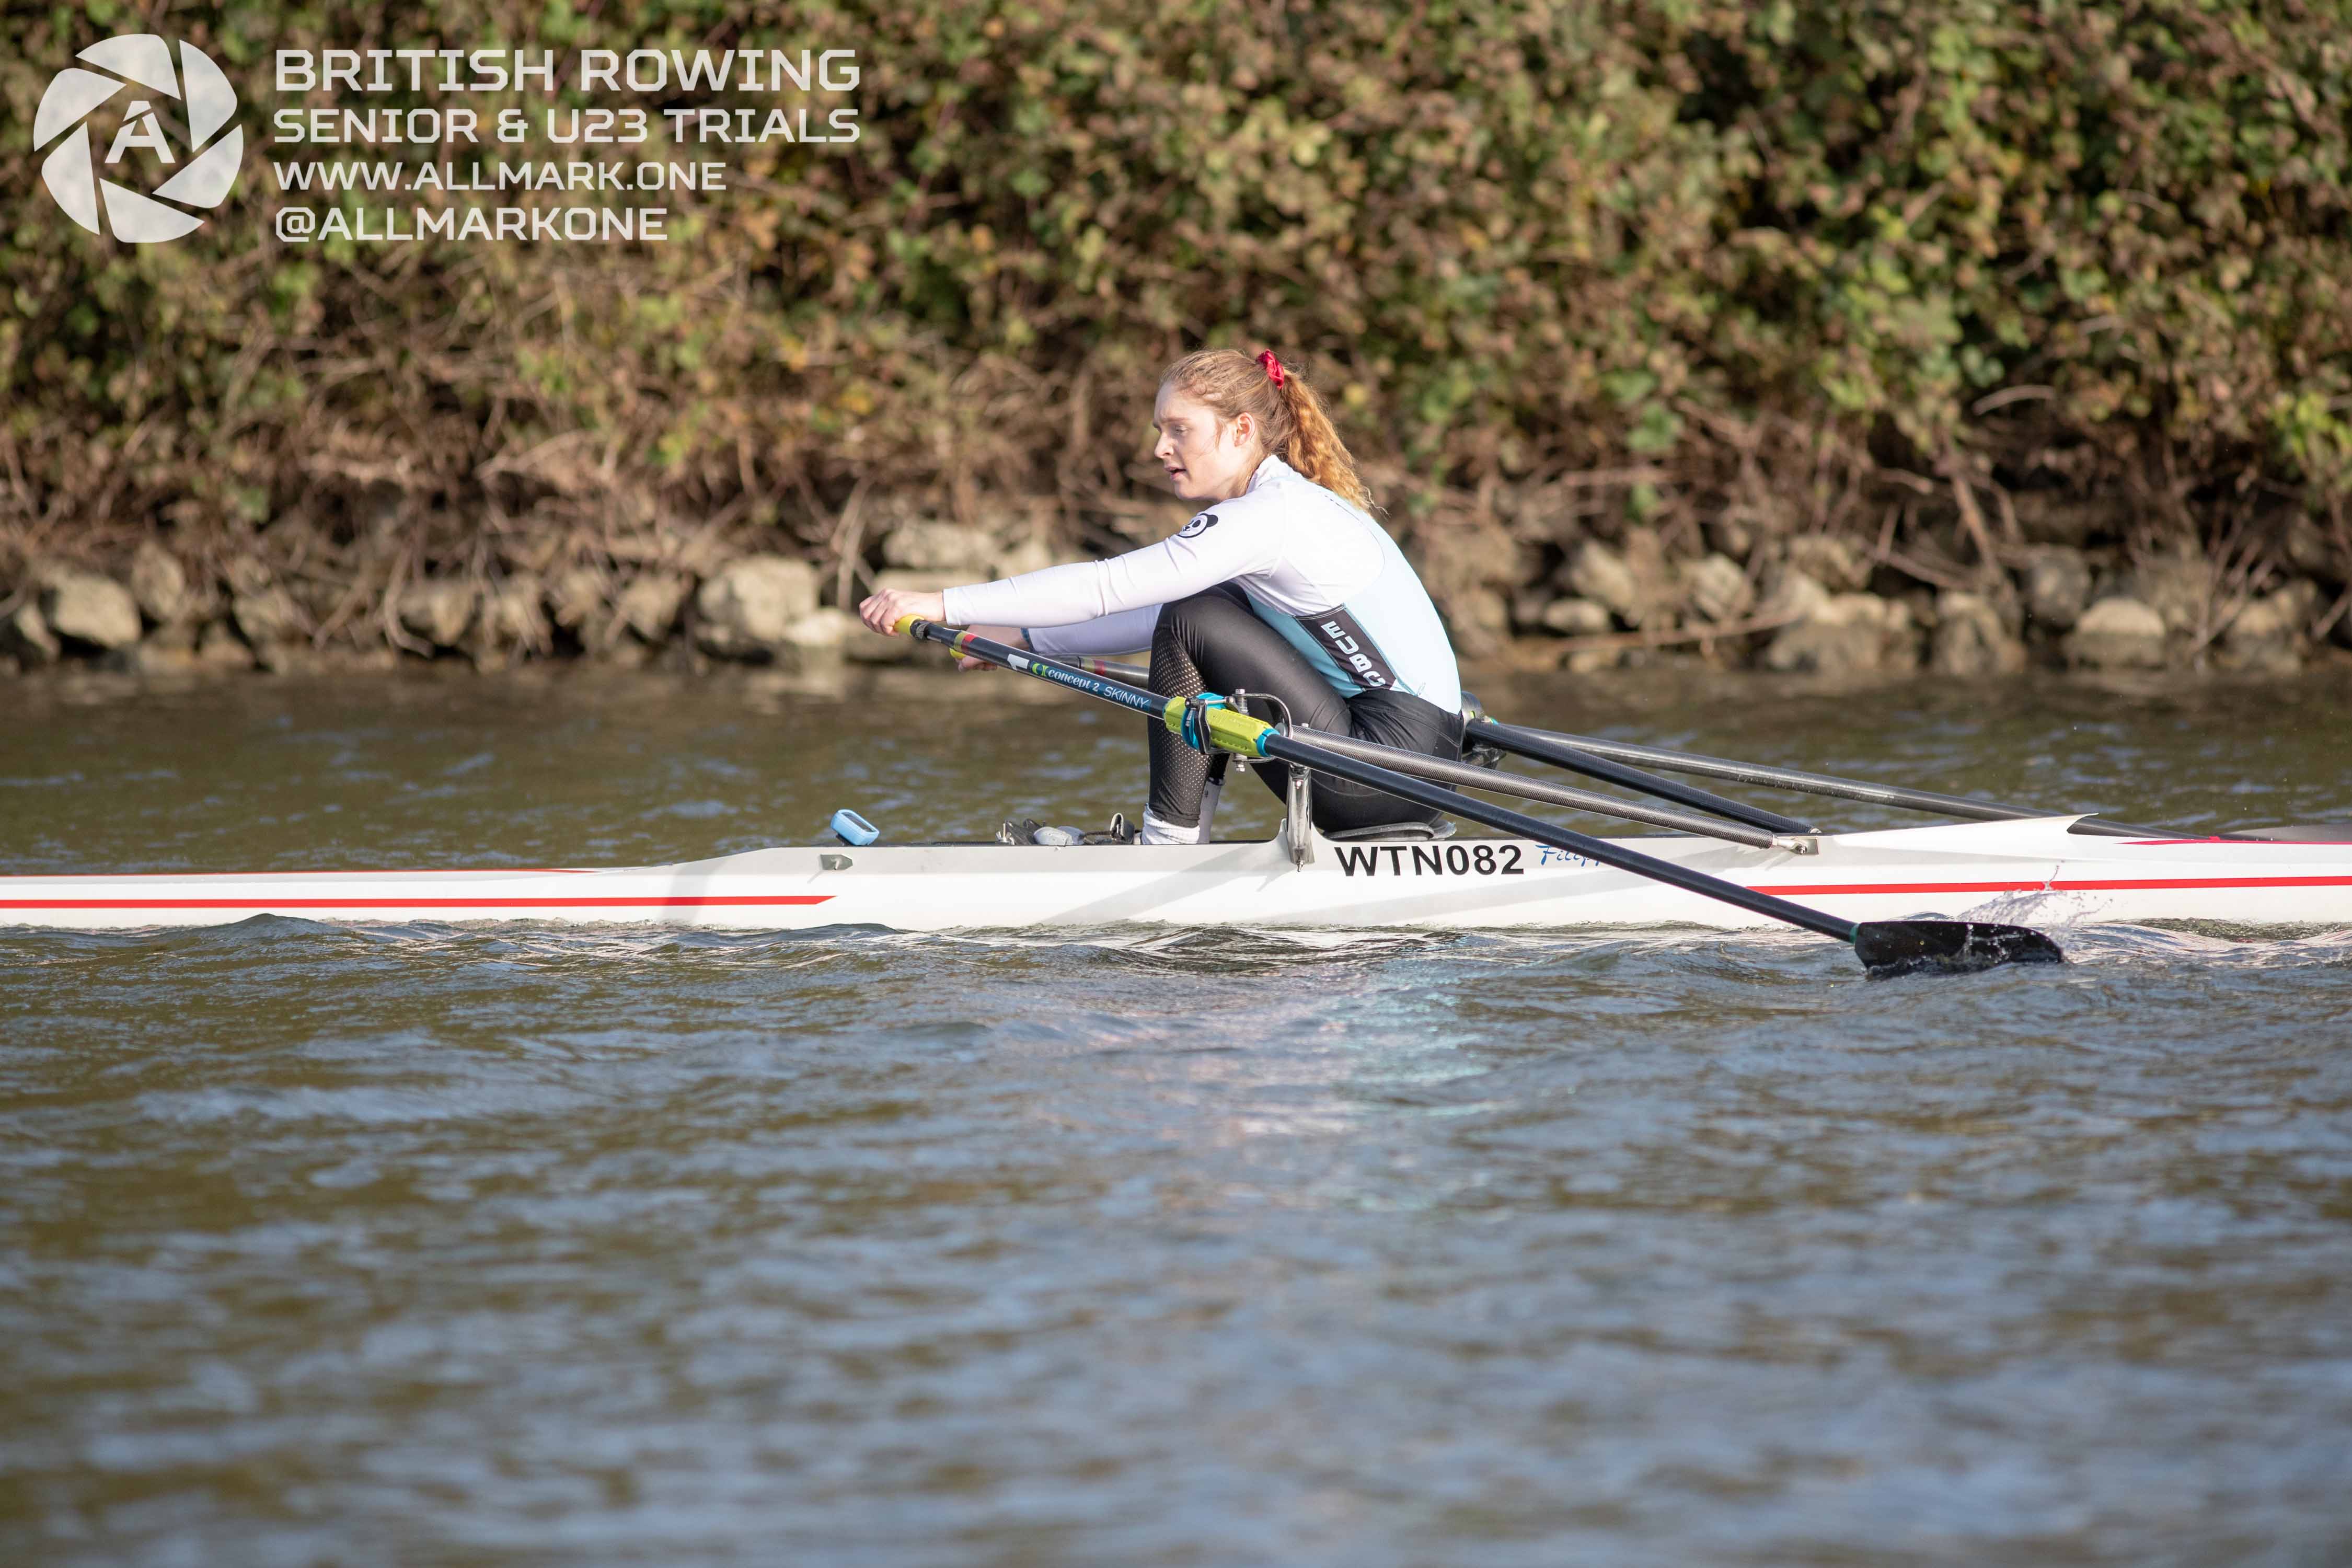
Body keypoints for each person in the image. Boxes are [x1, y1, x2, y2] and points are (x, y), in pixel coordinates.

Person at [856, 348, 1463, 845]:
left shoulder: (1268, 517)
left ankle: (1168, 846)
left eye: (1179, 430)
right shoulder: (1286, 509)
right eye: (1160, 431)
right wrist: (1021, 637)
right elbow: (1149, 618)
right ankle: (1177, 839)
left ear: (1240, 431)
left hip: (1378, 774)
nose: (1160, 449)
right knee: (1194, 616)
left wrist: (945, 603)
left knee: (1193, 614)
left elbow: (1108, 588)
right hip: (1409, 763)